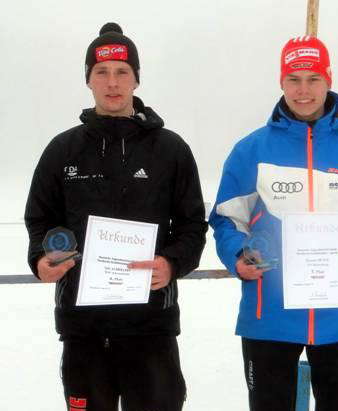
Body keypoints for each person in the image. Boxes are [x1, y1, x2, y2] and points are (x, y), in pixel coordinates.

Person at [209, 36, 338, 411]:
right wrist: (237, 255)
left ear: (328, 80)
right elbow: (226, 219)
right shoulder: (252, 149)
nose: (303, 90)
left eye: (313, 78)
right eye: (293, 79)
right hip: (269, 316)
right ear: (281, 83)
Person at [24, 23, 207, 411]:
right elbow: (40, 220)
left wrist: (171, 264)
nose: (112, 83)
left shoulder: (171, 150)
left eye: (122, 72)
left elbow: (192, 225)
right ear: (88, 79)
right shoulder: (62, 150)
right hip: (83, 333)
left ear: (136, 79)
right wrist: (42, 258)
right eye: (101, 73)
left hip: (151, 330)